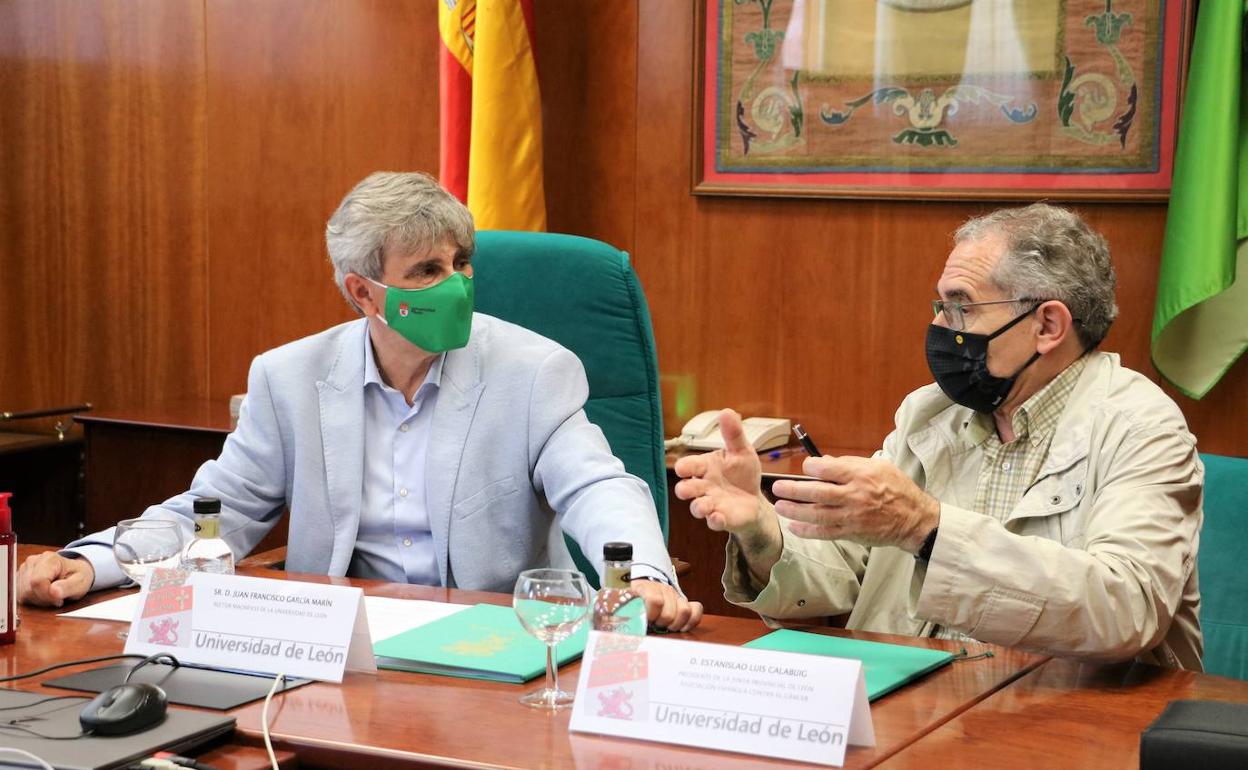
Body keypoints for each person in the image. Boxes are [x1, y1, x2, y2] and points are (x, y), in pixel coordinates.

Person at [20, 171, 702, 632]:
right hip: (344, 644)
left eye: (462, 262)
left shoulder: (533, 371)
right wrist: (92, 563)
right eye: (428, 272)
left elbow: (597, 487)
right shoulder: (289, 378)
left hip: (499, 637)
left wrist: (642, 574)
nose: (458, 285)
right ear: (362, 293)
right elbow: (215, 514)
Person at [675, 203, 1202, 668]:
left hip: (1062, 720)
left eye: (962, 306)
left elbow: (1126, 608)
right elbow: (849, 571)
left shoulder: (1140, 426)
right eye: (941, 306)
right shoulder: (929, 413)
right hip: (917, 703)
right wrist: (762, 530)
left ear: (1047, 326)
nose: (942, 326)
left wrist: (926, 528)